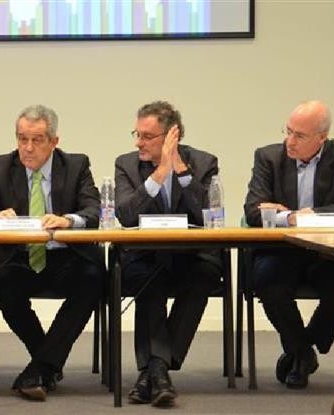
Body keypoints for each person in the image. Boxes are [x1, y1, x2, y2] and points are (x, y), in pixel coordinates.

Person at [0, 104, 105, 401]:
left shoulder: (76, 165)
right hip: (21, 258)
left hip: (66, 257)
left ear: (54, 141)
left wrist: (68, 221)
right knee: (0, 281)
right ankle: (46, 364)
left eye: (37, 140)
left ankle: (39, 368)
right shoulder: (0, 167)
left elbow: (94, 211)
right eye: (22, 139)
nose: (27, 148)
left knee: (93, 277)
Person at [243, 100, 334, 389]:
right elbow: (253, 211)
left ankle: (301, 348)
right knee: (267, 280)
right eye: (288, 131)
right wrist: (290, 219)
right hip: (282, 251)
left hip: (327, 252)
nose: (290, 141)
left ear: (322, 137)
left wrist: (303, 216)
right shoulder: (268, 157)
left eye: (299, 135)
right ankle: (303, 355)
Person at [114, 101, 223, 407]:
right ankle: (159, 373)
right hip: (144, 256)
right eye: (137, 134)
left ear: (172, 136)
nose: (138, 142)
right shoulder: (126, 164)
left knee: (204, 274)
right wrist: (159, 175)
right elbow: (125, 215)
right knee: (148, 280)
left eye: (147, 136)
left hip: (192, 256)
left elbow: (209, 215)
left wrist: (179, 171)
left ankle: (153, 371)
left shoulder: (203, 163)